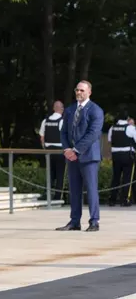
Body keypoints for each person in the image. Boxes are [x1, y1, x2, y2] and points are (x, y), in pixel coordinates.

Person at [55, 80, 103, 233]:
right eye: (77, 90)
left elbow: (93, 134)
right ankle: (75, 221)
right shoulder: (69, 110)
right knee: (74, 190)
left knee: (91, 189)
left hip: (88, 157)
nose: (78, 93)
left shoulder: (95, 110)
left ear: (89, 92)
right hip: (72, 157)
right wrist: (67, 149)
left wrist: (75, 150)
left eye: (82, 90)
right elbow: (63, 132)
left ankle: (94, 221)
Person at [39, 100, 66, 201]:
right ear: (62, 109)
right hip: (59, 151)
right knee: (60, 174)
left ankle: (47, 193)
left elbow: (42, 137)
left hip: (48, 151)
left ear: (54, 109)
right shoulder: (62, 121)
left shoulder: (45, 121)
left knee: (49, 173)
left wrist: (45, 148)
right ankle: (58, 196)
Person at [108, 112, 136, 206]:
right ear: (127, 118)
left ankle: (112, 199)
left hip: (115, 155)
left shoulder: (112, 128)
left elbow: (109, 140)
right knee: (127, 178)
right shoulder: (130, 128)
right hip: (127, 155)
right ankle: (124, 200)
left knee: (115, 177)